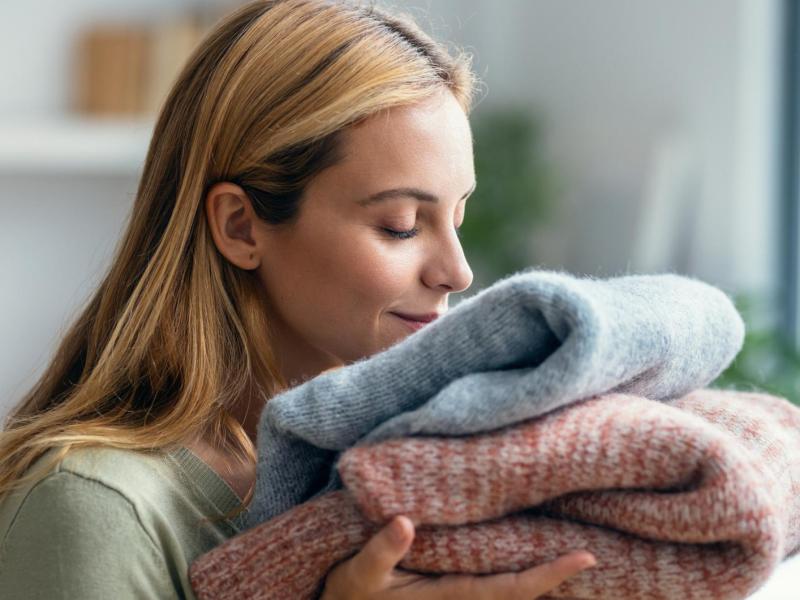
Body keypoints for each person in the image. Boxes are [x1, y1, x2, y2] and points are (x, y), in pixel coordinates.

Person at [0, 1, 596, 598]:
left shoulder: (406, 470)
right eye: (401, 225)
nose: (459, 273)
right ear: (240, 227)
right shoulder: (91, 510)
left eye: (457, 217)